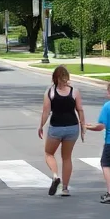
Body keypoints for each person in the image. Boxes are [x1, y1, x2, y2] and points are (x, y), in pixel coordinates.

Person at [38, 65, 85, 197]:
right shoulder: (74, 91)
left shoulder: (50, 92)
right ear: (67, 77)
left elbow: (46, 112)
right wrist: (83, 127)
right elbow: (80, 110)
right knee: (67, 158)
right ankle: (65, 188)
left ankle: (54, 176)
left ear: (54, 77)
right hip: (72, 127)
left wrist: (41, 125)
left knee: (49, 153)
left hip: (56, 127)